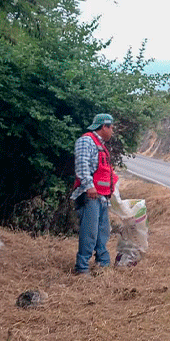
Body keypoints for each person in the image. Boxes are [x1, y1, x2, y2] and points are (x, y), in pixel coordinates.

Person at [71, 113, 118, 276]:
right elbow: (82, 165)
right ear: (103, 126)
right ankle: (82, 268)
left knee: (103, 231)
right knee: (89, 232)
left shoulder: (100, 144)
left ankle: (103, 265)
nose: (112, 130)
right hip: (90, 195)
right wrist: (90, 187)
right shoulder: (86, 141)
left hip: (101, 196)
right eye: (111, 127)